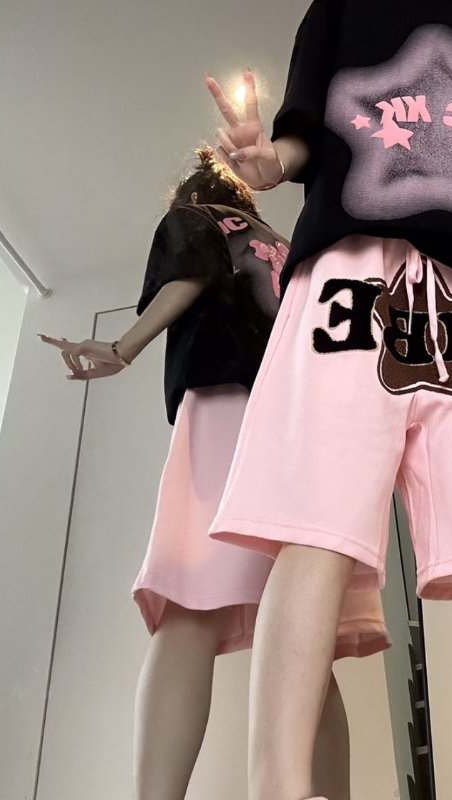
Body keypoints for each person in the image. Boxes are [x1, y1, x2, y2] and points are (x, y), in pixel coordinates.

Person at [205, 0, 452, 797]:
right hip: (379, 268)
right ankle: (279, 786)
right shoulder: (344, 6)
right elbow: (307, 129)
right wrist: (272, 164)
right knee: (325, 531)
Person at [40, 146, 390, 800]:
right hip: (308, 431)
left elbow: (190, 275)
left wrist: (122, 347)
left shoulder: (195, 218)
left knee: (190, 610)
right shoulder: (288, 247)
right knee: (303, 637)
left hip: (232, 410)